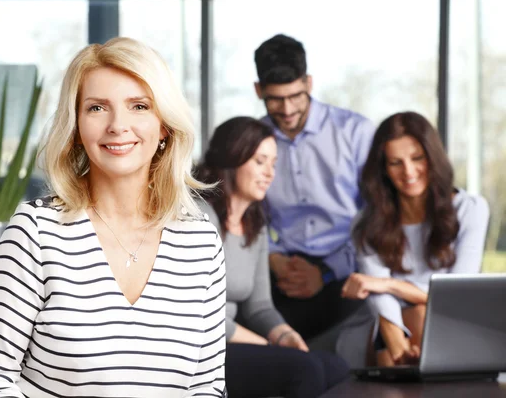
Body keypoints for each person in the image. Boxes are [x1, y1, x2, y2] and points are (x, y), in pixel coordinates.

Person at [0, 37, 227, 397]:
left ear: (164, 125)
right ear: (75, 128)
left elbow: (207, 387)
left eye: (139, 106)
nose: (118, 125)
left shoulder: (200, 242)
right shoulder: (36, 232)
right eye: (97, 108)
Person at [195, 116, 349, 398]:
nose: (269, 173)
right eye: (260, 161)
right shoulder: (200, 214)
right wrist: (264, 346)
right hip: (200, 348)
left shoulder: (255, 223)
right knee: (305, 371)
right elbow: (201, 315)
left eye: (273, 163)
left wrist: (284, 336)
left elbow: (260, 306)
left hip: (231, 342)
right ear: (232, 158)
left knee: (335, 366)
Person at [253, 34, 376, 342]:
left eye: (295, 96)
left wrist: (324, 272)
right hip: (280, 269)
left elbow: (378, 216)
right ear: (258, 91)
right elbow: (246, 213)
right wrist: (273, 257)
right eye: (275, 99)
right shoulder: (253, 140)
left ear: (309, 83)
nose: (287, 110)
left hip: (347, 266)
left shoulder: (355, 132)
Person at [342, 111, 490, 367]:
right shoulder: (366, 223)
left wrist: (390, 285)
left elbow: (455, 294)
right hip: (387, 321)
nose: (408, 172)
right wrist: (397, 342)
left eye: (417, 158)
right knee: (401, 340)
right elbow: (378, 298)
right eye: (395, 162)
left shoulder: (471, 209)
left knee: (421, 317)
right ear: (383, 169)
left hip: (453, 319)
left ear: (432, 158)